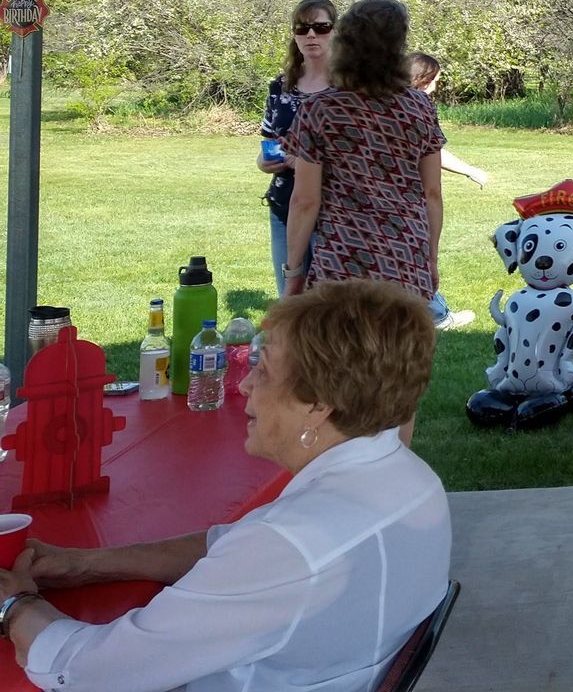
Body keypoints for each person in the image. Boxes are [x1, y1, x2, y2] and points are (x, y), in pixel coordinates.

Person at [0, 279, 450, 691]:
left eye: (265, 370)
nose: (247, 384)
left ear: (318, 406)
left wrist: (15, 605)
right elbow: (229, 545)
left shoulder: (290, 545)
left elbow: (90, 671)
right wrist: (87, 564)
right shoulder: (411, 479)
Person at [282, 0, 445, 304]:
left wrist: (293, 275)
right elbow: (432, 193)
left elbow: (304, 201)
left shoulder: (319, 110)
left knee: (336, 350)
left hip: (340, 262)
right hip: (406, 260)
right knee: (400, 351)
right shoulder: (420, 107)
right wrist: (430, 260)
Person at [258, 0, 335, 298]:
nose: (311, 35)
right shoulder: (281, 85)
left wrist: (300, 161)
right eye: (302, 29)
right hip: (283, 207)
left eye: (321, 27)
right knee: (290, 301)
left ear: (336, 32)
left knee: (327, 306)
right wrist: (263, 161)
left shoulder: (348, 88)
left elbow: (358, 155)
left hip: (333, 211)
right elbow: (268, 136)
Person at [405, 52, 487, 330]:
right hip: (409, 200)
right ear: (424, 79)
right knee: (416, 255)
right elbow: (434, 157)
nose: (436, 88)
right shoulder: (419, 107)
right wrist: (471, 171)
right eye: (436, 81)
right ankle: (438, 314)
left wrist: (470, 170)